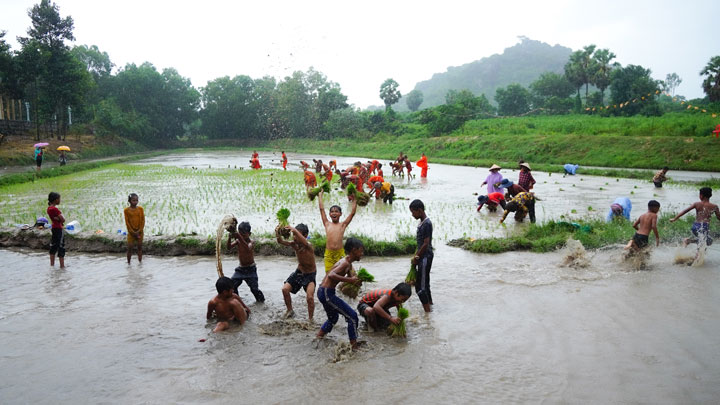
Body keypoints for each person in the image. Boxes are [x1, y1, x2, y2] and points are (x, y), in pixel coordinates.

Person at [316, 238, 363, 349]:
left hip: (323, 291)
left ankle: (318, 338)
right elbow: (331, 275)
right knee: (352, 316)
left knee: (333, 318)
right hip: (327, 292)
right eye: (361, 251)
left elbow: (352, 278)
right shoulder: (345, 263)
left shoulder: (348, 264)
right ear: (353, 250)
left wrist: (357, 281)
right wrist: (350, 280)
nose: (362, 254)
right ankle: (354, 347)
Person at [277, 224, 317, 321]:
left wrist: (294, 230)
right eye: (293, 235)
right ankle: (290, 311)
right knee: (285, 289)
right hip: (299, 272)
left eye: (297, 235)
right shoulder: (294, 245)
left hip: (310, 275)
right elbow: (280, 241)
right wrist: (277, 233)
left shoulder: (309, 246)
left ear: (305, 235)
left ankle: (310, 319)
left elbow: (305, 242)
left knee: (310, 297)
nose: (294, 237)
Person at [318, 191, 357, 273]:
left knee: (350, 272)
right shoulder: (327, 224)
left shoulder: (343, 225)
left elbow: (352, 213)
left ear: (340, 214)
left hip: (340, 253)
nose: (334, 213)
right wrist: (320, 195)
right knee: (329, 275)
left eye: (336, 211)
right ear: (329, 214)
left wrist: (355, 199)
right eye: (332, 212)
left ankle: (349, 284)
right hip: (329, 254)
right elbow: (321, 209)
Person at [227, 221, 265, 302]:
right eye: (240, 234)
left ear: (249, 234)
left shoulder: (251, 242)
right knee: (232, 285)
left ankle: (261, 301)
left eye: (244, 235)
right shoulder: (238, 241)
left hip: (251, 269)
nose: (242, 237)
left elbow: (247, 248)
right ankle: (237, 301)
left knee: (254, 289)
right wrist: (230, 237)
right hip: (241, 269)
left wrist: (238, 237)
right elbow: (229, 247)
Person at [410, 199, 433, 312]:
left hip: (425, 256)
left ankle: (428, 313)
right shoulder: (422, 222)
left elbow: (426, 243)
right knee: (425, 282)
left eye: (413, 212)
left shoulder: (427, 223)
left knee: (421, 286)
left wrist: (417, 257)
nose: (412, 215)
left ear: (419, 210)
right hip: (422, 255)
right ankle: (430, 304)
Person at [124, 193, 145, 264]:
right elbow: (127, 223)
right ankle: (128, 263)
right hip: (131, 233)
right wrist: (132, 232)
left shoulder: (140, 209)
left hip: (140, 232)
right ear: (129, 201)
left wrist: (139, 230)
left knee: (140, 248)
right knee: (130, 248)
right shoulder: (126, 210)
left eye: (136, 200)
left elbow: (143, 221)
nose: (135, 202)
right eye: (133, 200)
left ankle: (140, 262)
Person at [47, 192, 65, 267]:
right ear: (55, 200)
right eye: (59, 199)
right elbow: (63, 219)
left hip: (54, 228)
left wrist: (57, 218)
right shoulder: (54, 209)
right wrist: (59, 219)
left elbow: (57, 218)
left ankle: (52, 265)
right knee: (61, 247)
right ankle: (62, 266)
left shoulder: (49, 208)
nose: (60, 200)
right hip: (59, 229)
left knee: (53, 246)